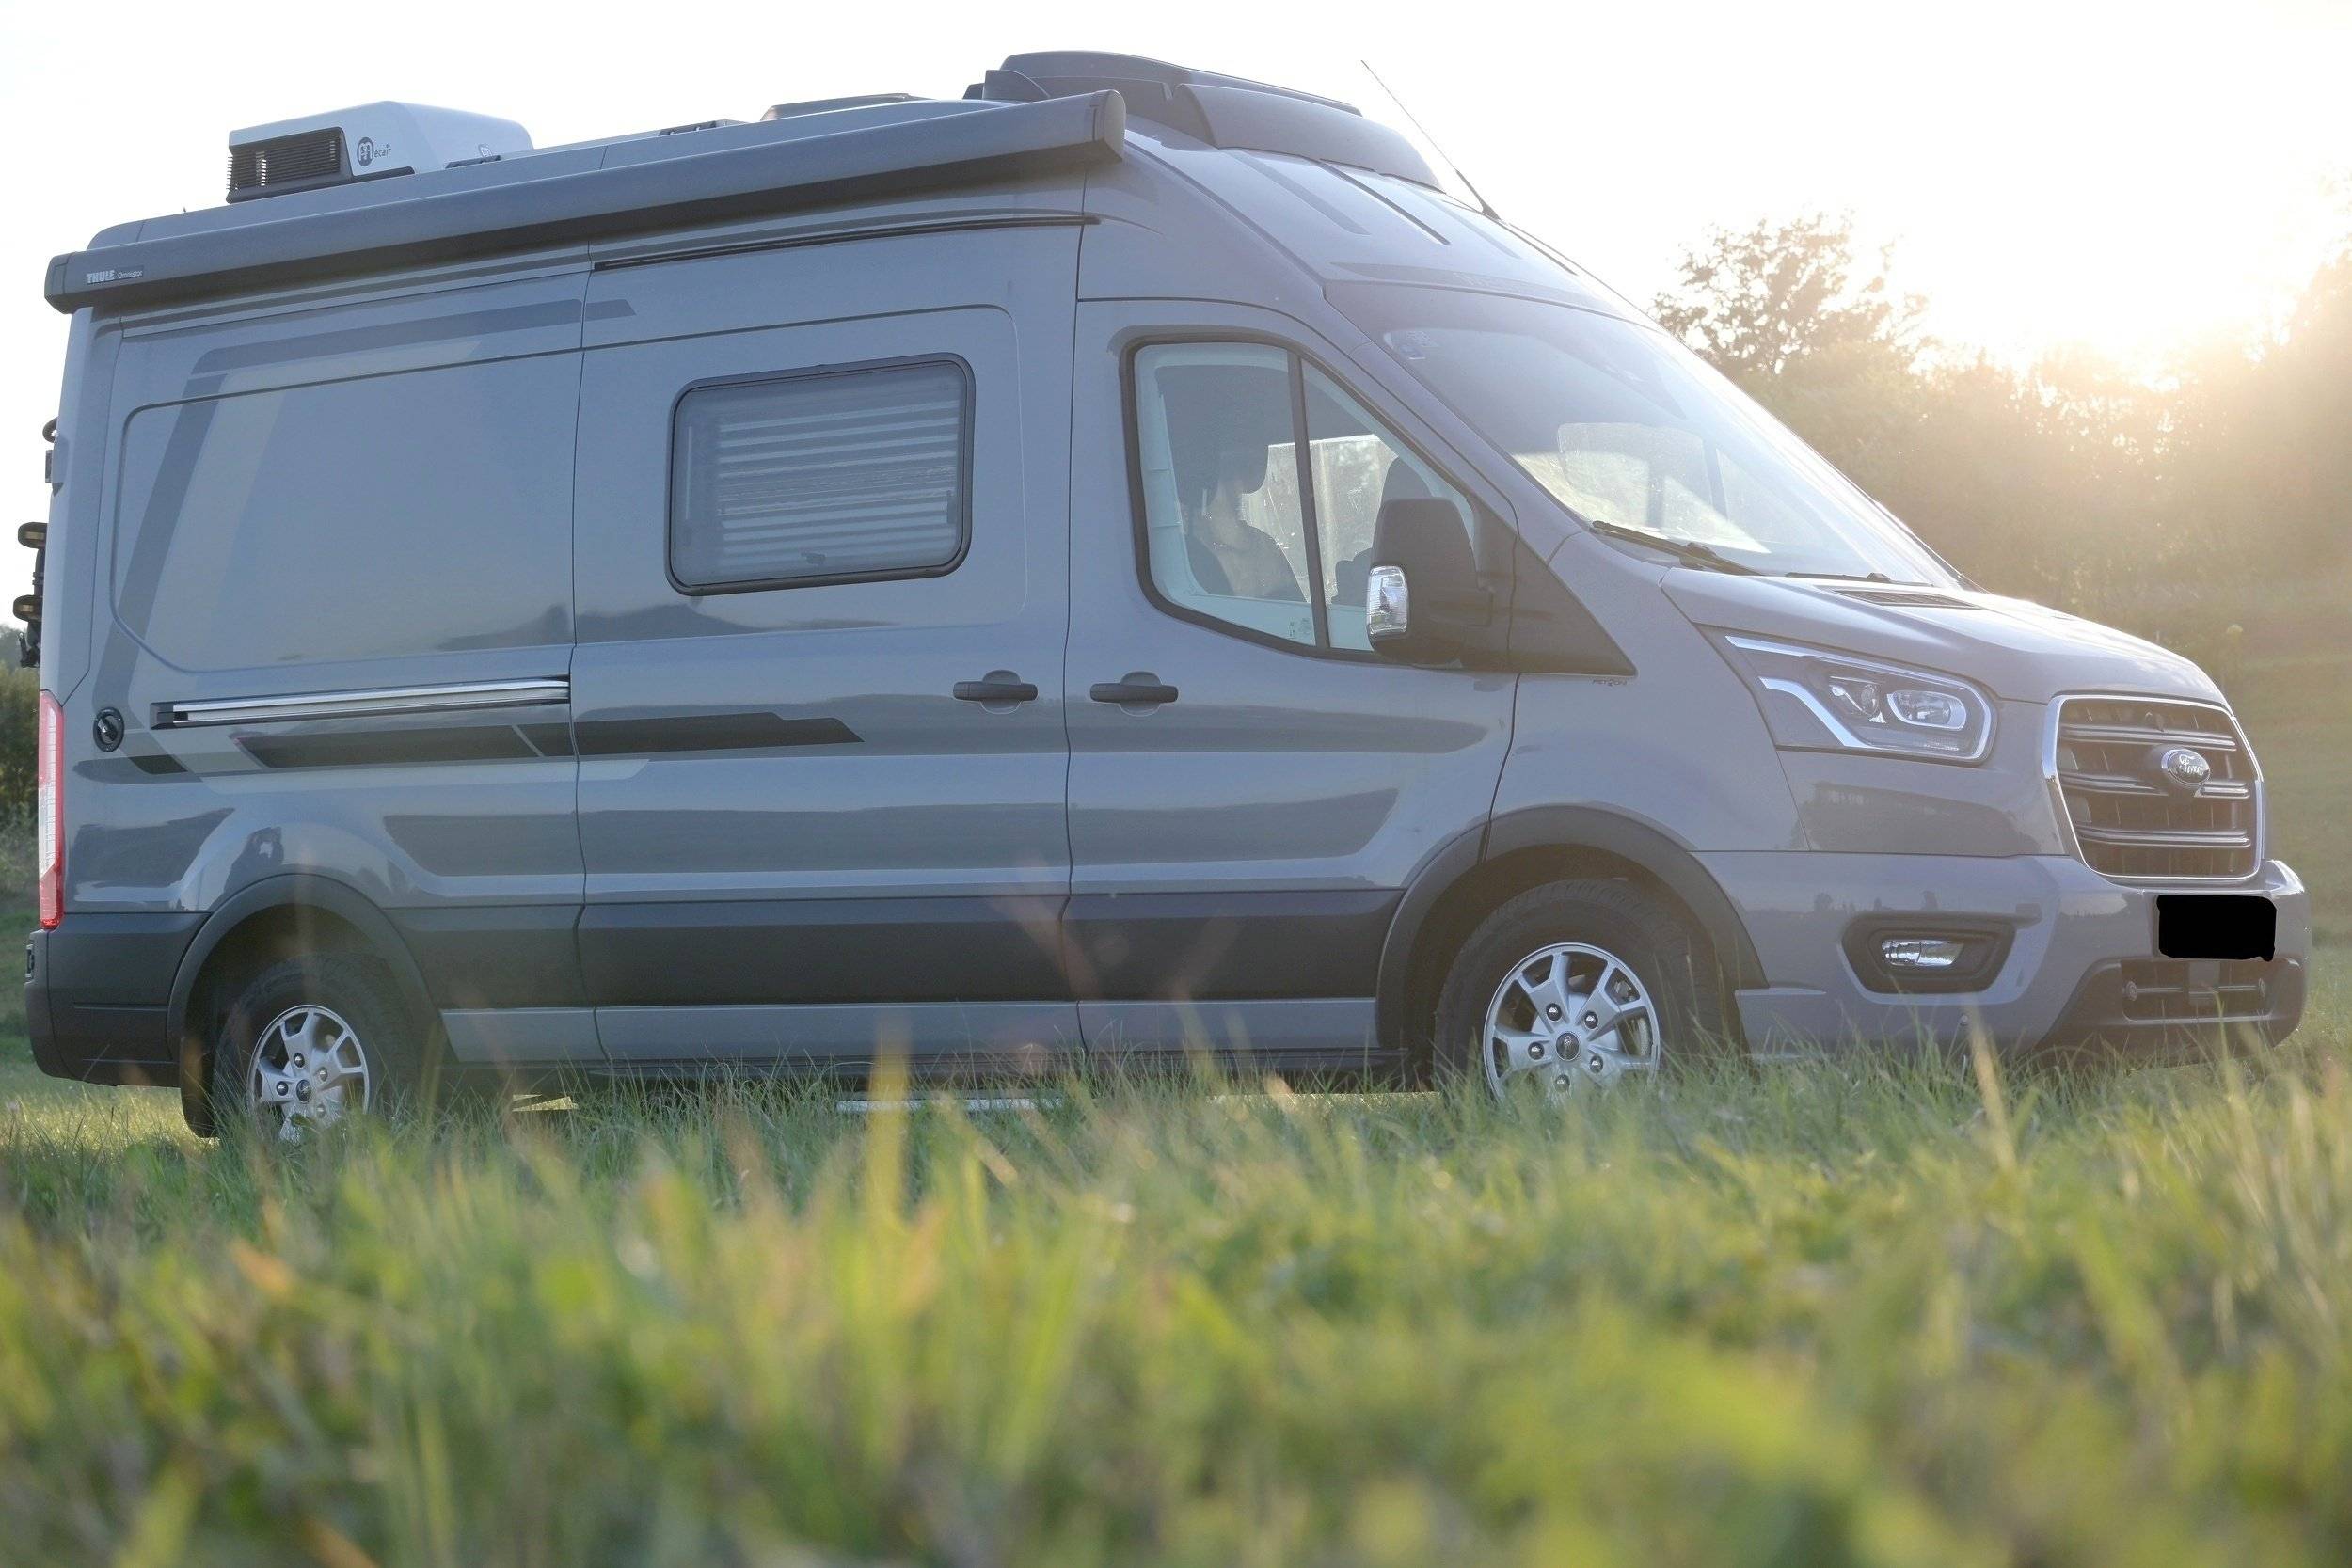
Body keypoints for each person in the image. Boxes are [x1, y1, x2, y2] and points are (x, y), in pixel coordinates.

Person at [1184, 429, 1304, 603]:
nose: (1237, 484)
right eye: (1226, 476)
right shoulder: (1190, 554)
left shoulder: (1264, 545)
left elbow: (1297, 611)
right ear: (1204, 485)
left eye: (1240, 473)